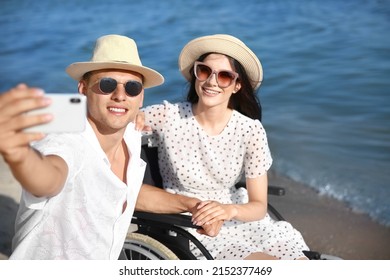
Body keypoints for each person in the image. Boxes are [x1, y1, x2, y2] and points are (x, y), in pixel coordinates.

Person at [0, 34, 218, 260]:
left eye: (132, 88)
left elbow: (125, 191)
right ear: (83, 89)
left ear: (141, 97)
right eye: (107, 84)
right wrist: (19, 154)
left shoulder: (132, 135)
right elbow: (49, 180)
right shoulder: (66, 137)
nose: (120, 95)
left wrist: (193, 205)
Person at [142, 34, 310, 260]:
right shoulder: (167, 116)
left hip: (239, 215)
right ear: (195, 75)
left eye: (224, 76)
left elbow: (259, 206)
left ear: (237, 85)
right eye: (204, 71)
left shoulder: (251, 130)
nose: (212, 82)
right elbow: (114, 120)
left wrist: (229, 210)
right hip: (191, 224)